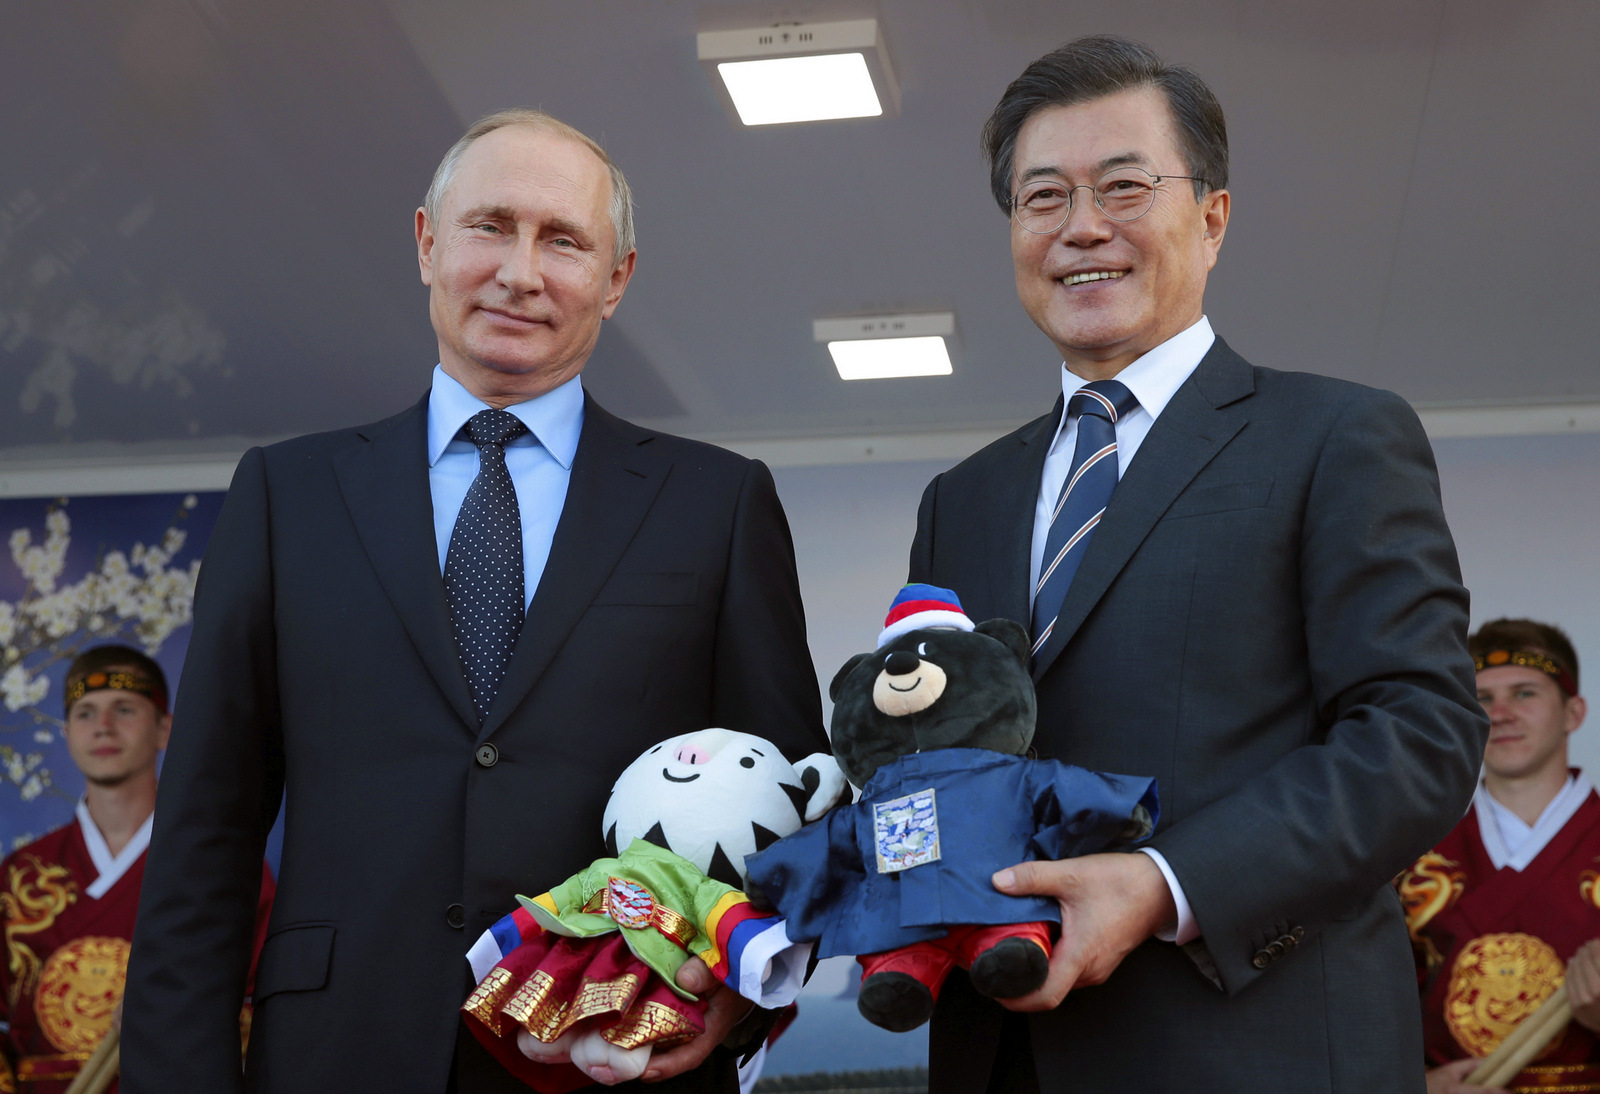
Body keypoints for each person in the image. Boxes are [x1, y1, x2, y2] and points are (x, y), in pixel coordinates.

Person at [119, 109, 825, 1094]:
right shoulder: (289, 495)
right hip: (336, 1052)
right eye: (490, 225)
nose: (521, 271)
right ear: (426, 243)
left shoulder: (717, 503)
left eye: (564, 240)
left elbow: (785, 810)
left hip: (613, 1055)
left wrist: (729, 1001)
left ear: (615, 279)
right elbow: (205, 829)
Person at [906, 35, 1488, 1091]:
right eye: (1043, 197)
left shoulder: (1334, 436)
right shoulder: (962, 499)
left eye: (1124, 185)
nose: (1083, 226)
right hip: (1002, 1050)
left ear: (1211, 217)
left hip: (1252, 1046)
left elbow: (1421, 731)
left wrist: (1165, 880)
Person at [0, 646, 273, 1094]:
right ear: (67, 734)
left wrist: (175, 1012)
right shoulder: (19, 878)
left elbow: (275, 1012)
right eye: (86, 713)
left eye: (124, 709)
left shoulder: (223, 867)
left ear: (165, 729)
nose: (103, 726)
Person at [1400, 619, 1600, 1094]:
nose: (1501, 714)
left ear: (1574, 712)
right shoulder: (1409, 858)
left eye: (1525, 693)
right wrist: (1419, 1086)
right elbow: (1364, 1014)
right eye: (1483, 700)